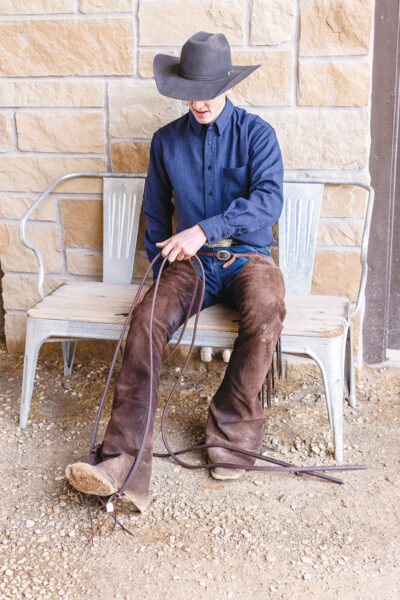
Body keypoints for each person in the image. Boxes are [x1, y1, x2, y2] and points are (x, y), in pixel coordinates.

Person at [65, 31, 286, 513]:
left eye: (208, 89)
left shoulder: (258, 135)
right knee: (145, 321)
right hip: (189, 264)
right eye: (191, 90)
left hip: (249, 258)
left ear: (227, 85)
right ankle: (121, 463)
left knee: (268, 311)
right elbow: (153, 210)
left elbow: (269, 201)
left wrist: (207, 229)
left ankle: (231, 432)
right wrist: (160, 260)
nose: (199, 101)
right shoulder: (166, 141)